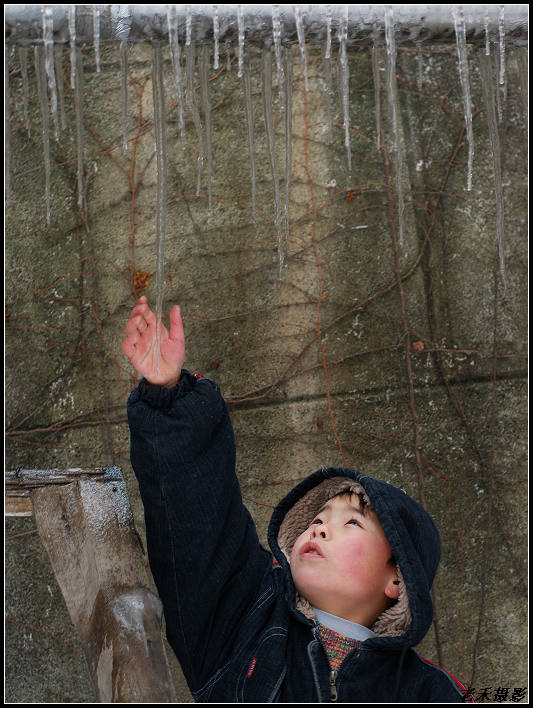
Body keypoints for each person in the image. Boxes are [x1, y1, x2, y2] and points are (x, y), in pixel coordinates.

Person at [122, 296, 469, 702]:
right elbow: (199, 528)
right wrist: (170, 397)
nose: (320, 526)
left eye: (352, 522)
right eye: (318, 516)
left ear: (398, 579)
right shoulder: (244, 624)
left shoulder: (434, 692)